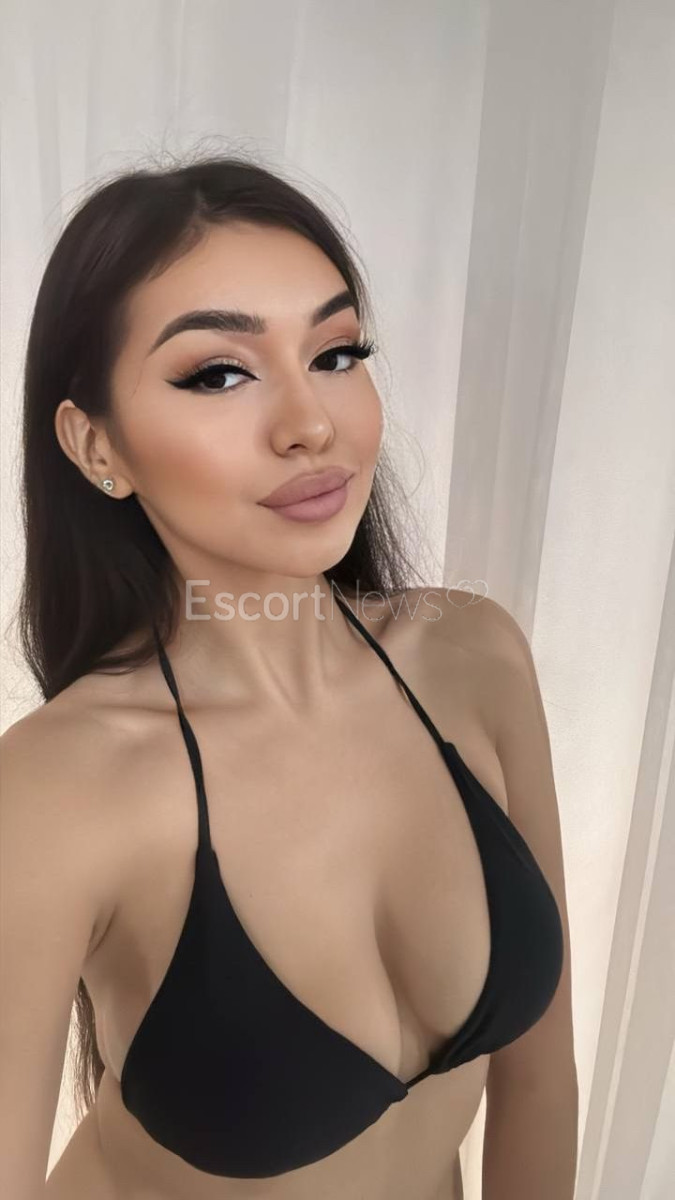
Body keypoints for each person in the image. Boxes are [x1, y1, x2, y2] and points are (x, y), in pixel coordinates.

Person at [0, 154, 575, 1200]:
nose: (311, 423)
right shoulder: (54, 792)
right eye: (219, 373)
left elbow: (538, 1084)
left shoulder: (473, 658)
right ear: (95, 447)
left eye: (335, 352)